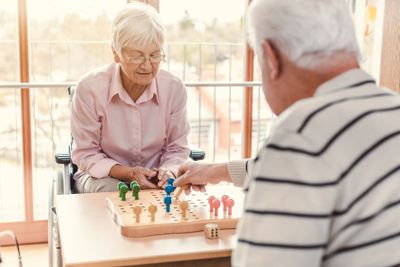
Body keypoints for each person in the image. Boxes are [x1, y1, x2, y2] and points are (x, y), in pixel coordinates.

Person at [174, 0, 400, 266]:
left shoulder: (300, 134)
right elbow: (323, 167)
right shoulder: (390, 108)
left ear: (271, 58)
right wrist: (215, 171)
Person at [71, 2, 190, 193]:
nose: (147, 66)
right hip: (103, 177)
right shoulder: (89, 89)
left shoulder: (174, 89)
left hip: (156, 177)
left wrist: (168, 171)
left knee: (172, 194)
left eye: (154, 55)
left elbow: (177, 148)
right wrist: (128, 174)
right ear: (116, 54)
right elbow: (87, 153)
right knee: (118, 193)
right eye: (136, 56)